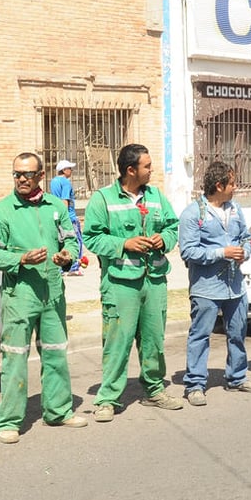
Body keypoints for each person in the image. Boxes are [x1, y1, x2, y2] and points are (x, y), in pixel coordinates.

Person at [0, 152, 87, 445]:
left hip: (52, 293)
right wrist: (21, 259)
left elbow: (70, 239)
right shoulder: (3, 210)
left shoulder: (55, 205)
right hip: (20, 295)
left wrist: (67, 257)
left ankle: (58, 411)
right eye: (16, 174)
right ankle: (9, 420)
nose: (21, 180)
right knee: (14, 357)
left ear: (40, 176)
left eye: (27, 174)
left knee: (55, 352)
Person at [83, 144, 182, 422]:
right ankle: (107, 398)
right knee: (117, 342)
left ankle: (154, 389)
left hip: (154, 280)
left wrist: (165, 239)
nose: (151, 171)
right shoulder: (103, 199)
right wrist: (123, 243)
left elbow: (173, 226)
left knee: (154, 340)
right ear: (130, 170)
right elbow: (91, 238)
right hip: (120, 283)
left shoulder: (156, 196)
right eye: (147, 166)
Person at [179, 161, 251, 406]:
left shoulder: (235, 209)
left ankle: (237, 377)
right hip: (206, 287)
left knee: (237, 332)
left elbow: (245, 238)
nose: (235, 188)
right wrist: (221, 252)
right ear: (219, 185)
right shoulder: (194, 213)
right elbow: (188, 251)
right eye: (232, 183)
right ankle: (195, 384)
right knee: (200, 335)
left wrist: (244, 252)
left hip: (235, 286)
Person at [50, 159, 84, 276]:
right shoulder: (65, 182)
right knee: (76, 241)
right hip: (69, 216)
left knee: (61, 241)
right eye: (70, 168)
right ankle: (73, 267)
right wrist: (67, 218)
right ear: (64, 170)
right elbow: (65, 201)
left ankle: (61, 267)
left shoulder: (53, 181)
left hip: (56, 216)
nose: (72, 171)